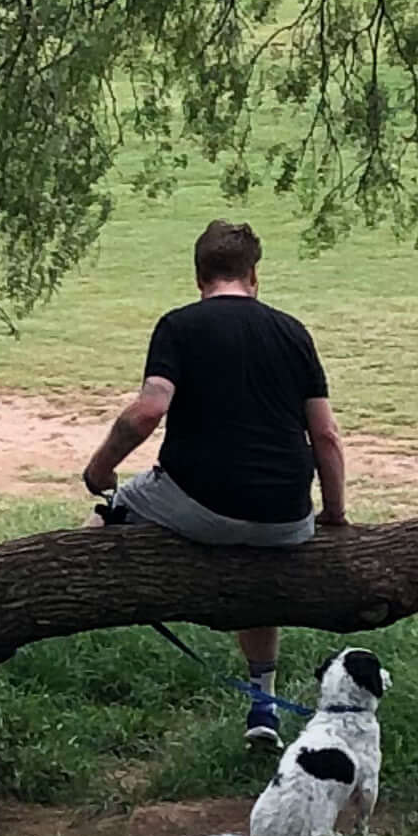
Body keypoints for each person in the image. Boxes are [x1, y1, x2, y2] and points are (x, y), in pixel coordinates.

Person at [83, 219, 347, 742]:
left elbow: (146, 413)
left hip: (200, 503)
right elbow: (327, 436)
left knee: (114, 505)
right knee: (259, 572)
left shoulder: (180, 326)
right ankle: (263, 704)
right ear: (254, 275)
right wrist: (333, 514)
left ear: (199, 275)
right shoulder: (293, 332)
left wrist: (99, 470)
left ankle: (65, 596)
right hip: (285, 517)